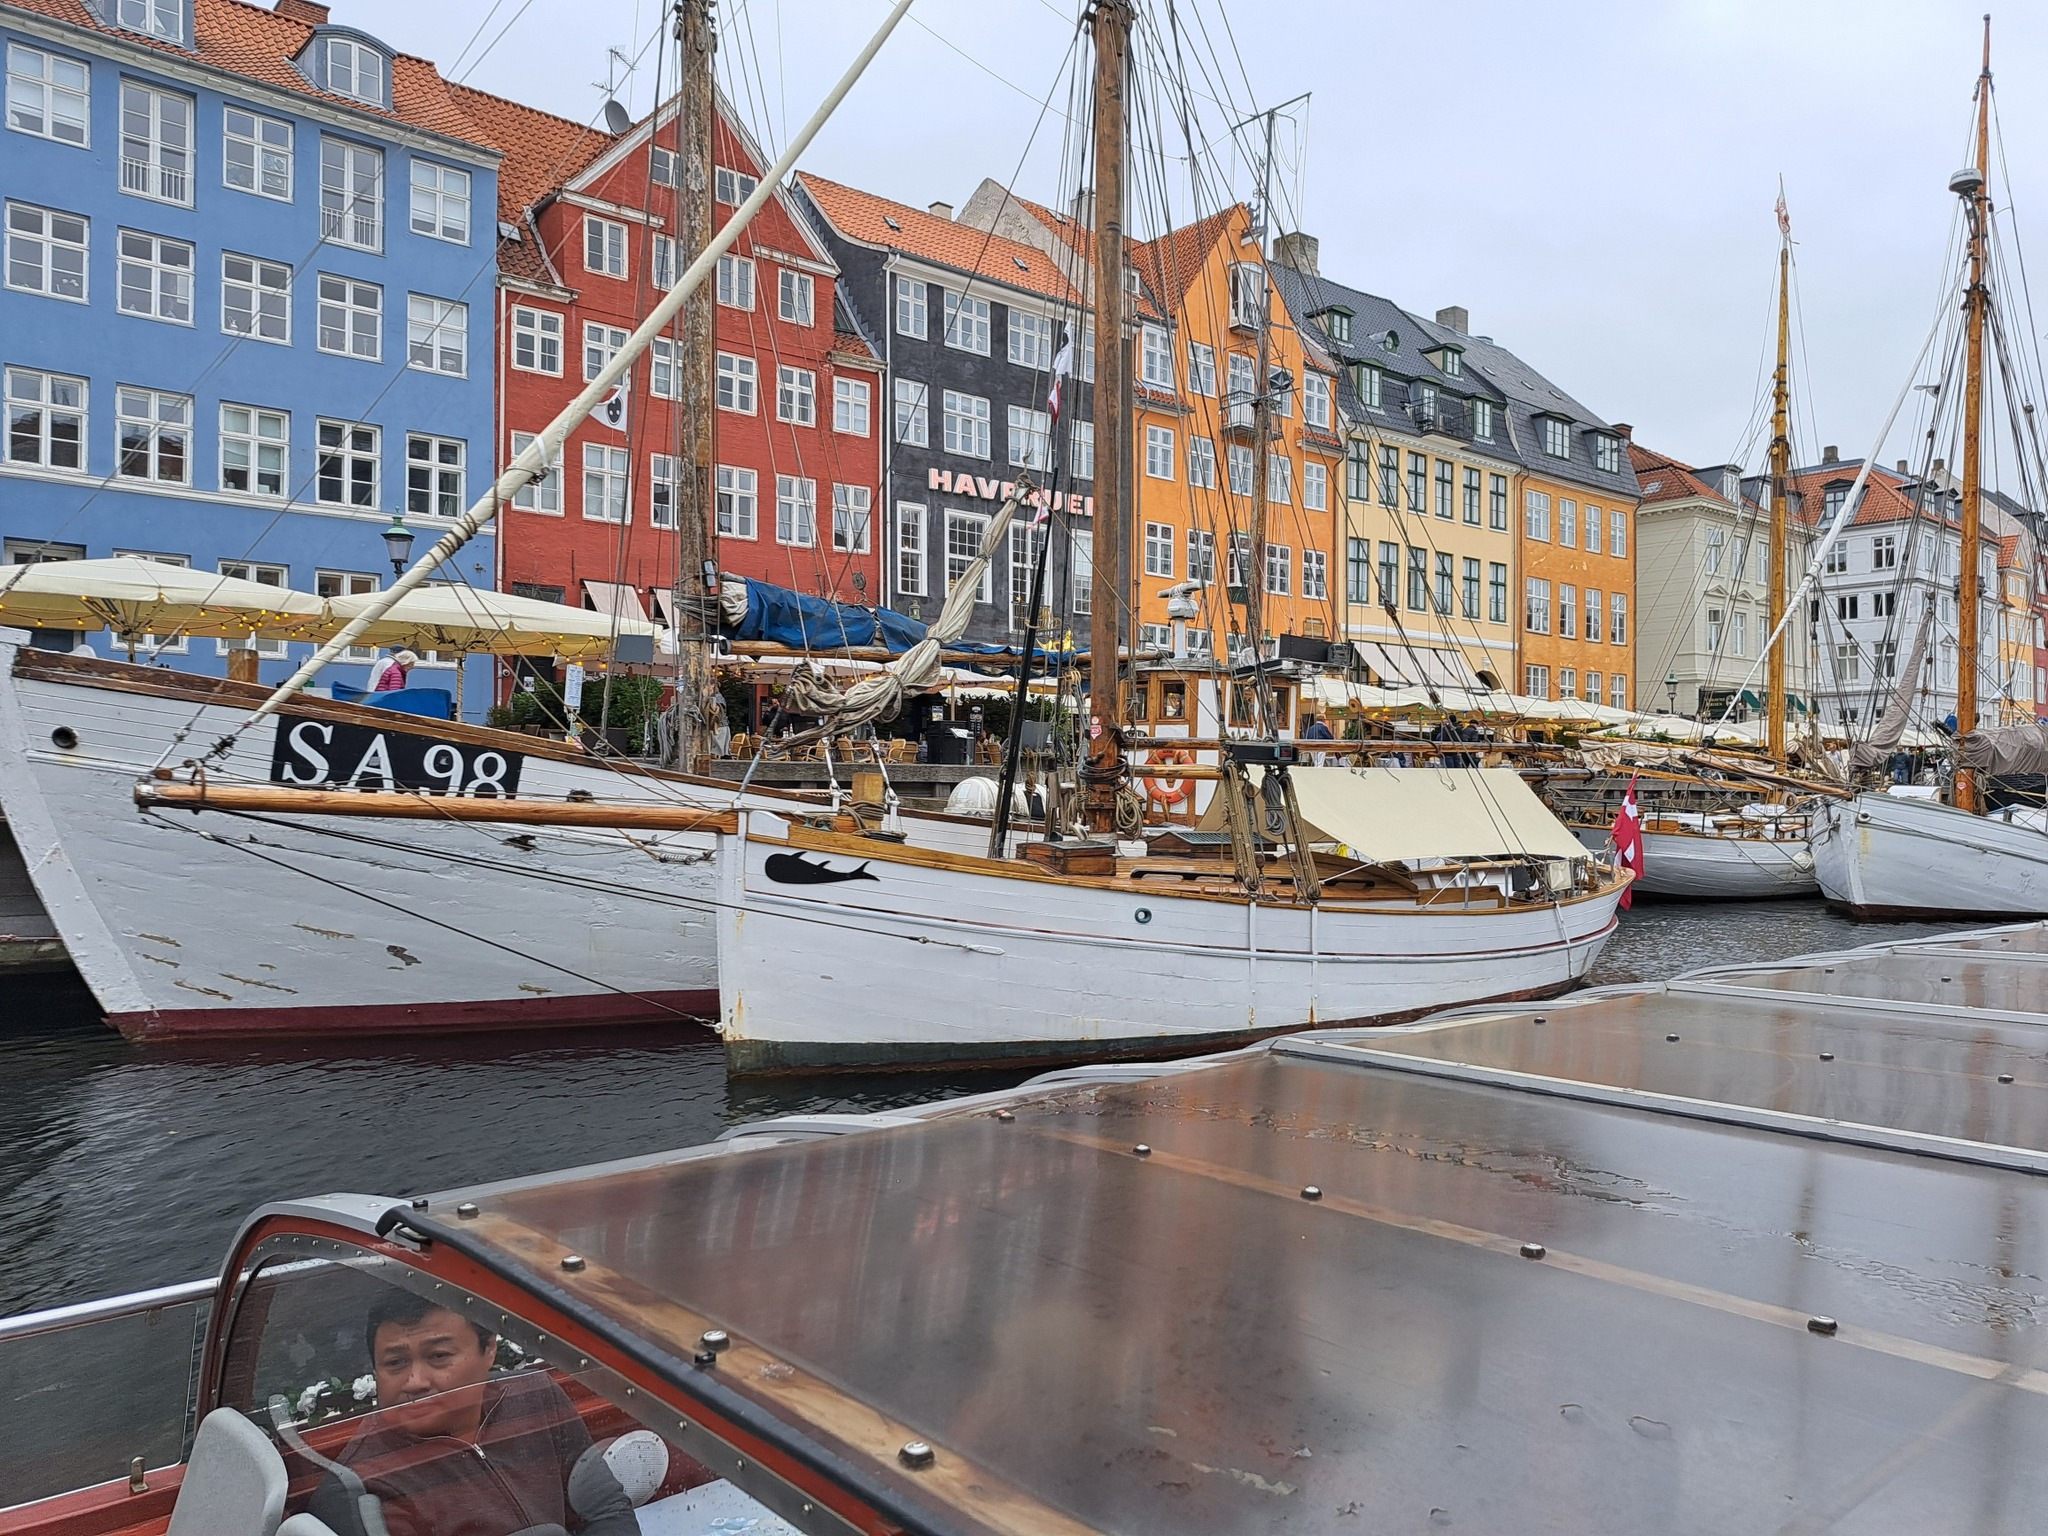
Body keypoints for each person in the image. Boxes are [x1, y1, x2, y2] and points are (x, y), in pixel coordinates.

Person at [307, 1290, 641, 1536]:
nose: (415, 1381)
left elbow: (605, 1510)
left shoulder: (534, 1397)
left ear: (490, 1349)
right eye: (395, 1363)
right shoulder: (364, 1485)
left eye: (438, 1356)